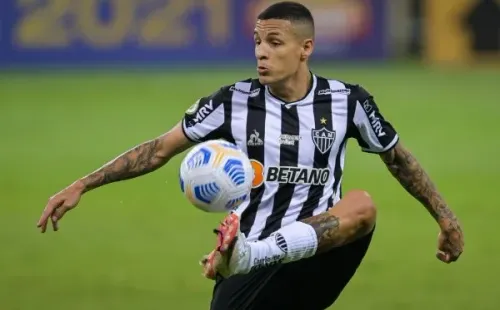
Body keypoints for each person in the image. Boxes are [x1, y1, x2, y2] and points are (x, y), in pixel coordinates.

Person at [37, 2, 464, 309]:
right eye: (257, 41)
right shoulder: (233, 100)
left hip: (318, 248)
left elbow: (398, 158)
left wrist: (445, 218)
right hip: (248, 262)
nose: (261, 51)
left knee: (363, 205)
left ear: (305, 48)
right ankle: (247, 255)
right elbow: (157, 150)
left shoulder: (347, 100)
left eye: (275, 42)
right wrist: (82, 184)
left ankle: (250, 253)